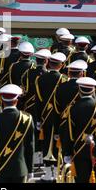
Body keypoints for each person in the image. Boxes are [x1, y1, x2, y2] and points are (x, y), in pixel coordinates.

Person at [60, 77, 96, 183]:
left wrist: (67, 153)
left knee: (81, 179)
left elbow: (68, 133)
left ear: (79, 89)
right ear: (93, 90)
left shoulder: (73, 108)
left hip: (79, 151)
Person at [0, 84, 34, 183]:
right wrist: (30, 170)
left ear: (2, 100)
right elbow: (30, 146)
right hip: (20, 169)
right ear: (17, 100)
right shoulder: (27, 118)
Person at [35, 52, 67, 182]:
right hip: (60, 117)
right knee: (58, 145)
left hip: (45, 117)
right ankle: (57, 172)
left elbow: (38, 101)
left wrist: (38, 119)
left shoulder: (40, 78)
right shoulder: (65, 80)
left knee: (46, 142)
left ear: (48, 63)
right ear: (62, 65)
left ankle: (48, 174)